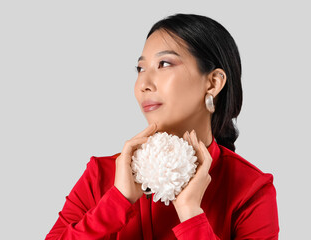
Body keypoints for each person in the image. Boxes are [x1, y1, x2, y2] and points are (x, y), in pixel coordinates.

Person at [45, 13, 279, 239]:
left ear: (213, 83)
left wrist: (191, 214)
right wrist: (117, 200)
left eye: (164, 64)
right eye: (140, 69)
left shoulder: (251, 189)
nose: (143, 84)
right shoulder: (101, 175)